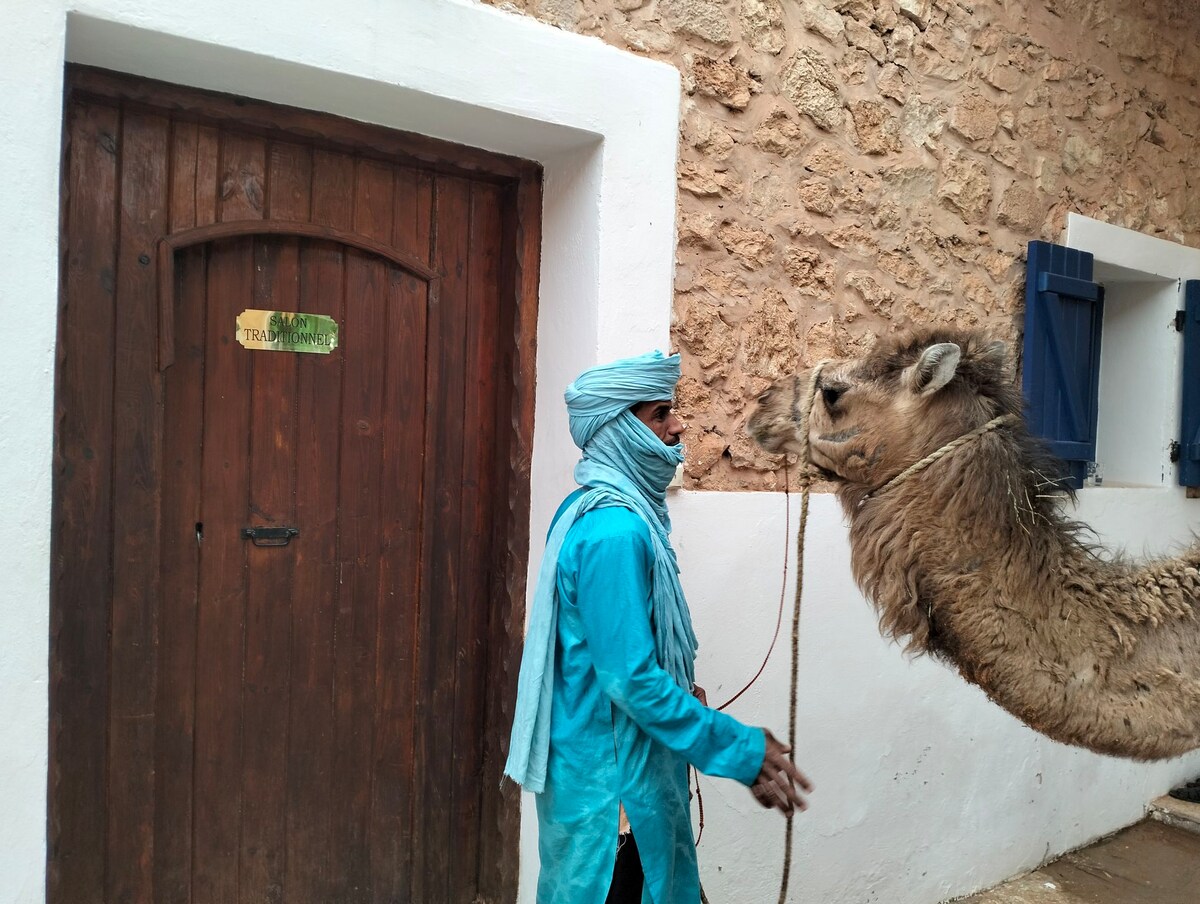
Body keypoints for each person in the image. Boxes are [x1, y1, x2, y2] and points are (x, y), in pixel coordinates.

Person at [505, 350, 812, 904]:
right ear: (620, 430)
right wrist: (739, 748)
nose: (679, 427)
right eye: (659, 414)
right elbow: (628, 679)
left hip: (616, 771)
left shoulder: (596, 512)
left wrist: (682, 696)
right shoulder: (614, 532)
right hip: (615, 797)